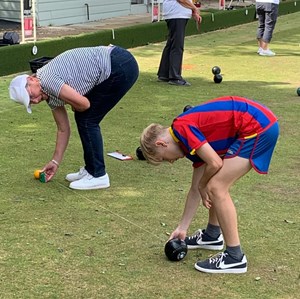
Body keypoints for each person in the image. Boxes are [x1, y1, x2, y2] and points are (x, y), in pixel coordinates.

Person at [140, 96, 279, 274]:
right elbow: (195, 188)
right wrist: (182, 228)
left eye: (163, 158)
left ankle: (235, 257)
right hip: (257, 124)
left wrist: (203, 185)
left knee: (216, 187)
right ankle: (212, 236)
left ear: (161, 144)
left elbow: (214, 163)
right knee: (212, 184)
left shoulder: (182, 128)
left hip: (258, 127)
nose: (171, 162)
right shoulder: (185, 141)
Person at [9, 45, 139, 190]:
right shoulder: (46, 92)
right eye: (30, 102)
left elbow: (84, 104)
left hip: (119, 65)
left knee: (87, 119)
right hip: (117, 61)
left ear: (31, 79)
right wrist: (55, 162)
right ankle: (91, 170)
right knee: (84, 117)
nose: (34, 101)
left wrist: (74, 104)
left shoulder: (47, 81)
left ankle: (98, 175)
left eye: (30, 96)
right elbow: (63, 129)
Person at [157, 0, 201, 86]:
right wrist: (194, 8)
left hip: (176, 13)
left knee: (171, 43)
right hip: (177, 14)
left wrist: (193, 11)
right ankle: (175, 77)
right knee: (177, 45)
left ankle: (164, 74)